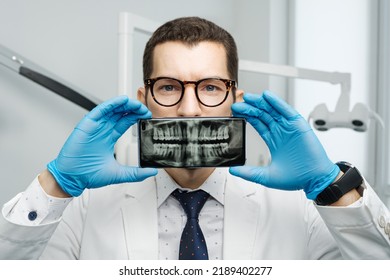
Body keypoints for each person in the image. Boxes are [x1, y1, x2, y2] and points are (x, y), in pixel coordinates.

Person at [1, 16, 389, 260]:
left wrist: (332, 187)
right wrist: (56, 185)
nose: (189, 109)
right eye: (169, 88)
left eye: (209, 87)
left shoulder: (301, 208)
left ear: (235, 100)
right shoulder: (82, 208)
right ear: (145, 99)